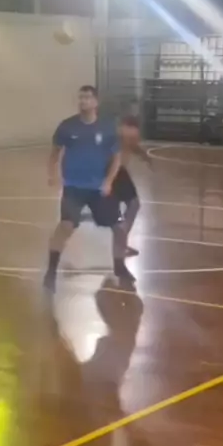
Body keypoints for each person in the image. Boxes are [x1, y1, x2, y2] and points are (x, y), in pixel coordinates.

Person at [43, 85, 134, 293]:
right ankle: (51, 271)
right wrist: (52, 174)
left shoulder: (107, 127)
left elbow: (116, 158)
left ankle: (120, 267)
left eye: (87, 97)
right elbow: (54, 152)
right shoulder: (67, 126)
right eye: (80, 97)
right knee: (65, 226)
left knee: (119, 228)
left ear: (96, 102)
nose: (83, 101)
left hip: (98, 188)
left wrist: (108, 182)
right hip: (73, 187)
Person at [112, 116, 151, 258]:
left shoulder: (115, 132)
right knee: (134, 204)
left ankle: (121, 244)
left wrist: (144, 156)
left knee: (119, 208)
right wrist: (145, 157)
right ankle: (121, 241)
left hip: (111, 171)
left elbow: (132, 147)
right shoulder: (129, 132)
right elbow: (133, 146)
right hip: (117, 172)